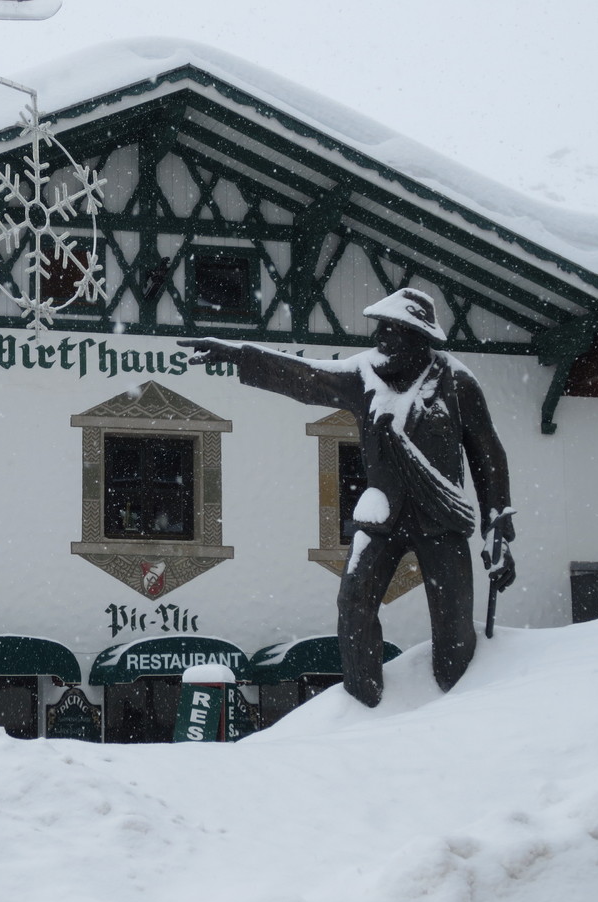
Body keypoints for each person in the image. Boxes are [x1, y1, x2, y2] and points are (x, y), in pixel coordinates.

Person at [179, 288, 516, 706]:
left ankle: (456, 706)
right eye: (382, 330)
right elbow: (304, 377)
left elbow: (487, 453)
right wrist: (239, 355)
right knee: (354, 601)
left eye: (393, 331)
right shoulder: (364, 374)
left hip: (441, 518)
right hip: (383, 514)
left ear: (418, 336)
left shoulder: (456, 381)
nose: (382, 339)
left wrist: (497, 526)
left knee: (454, 629)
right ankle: (363, 705)